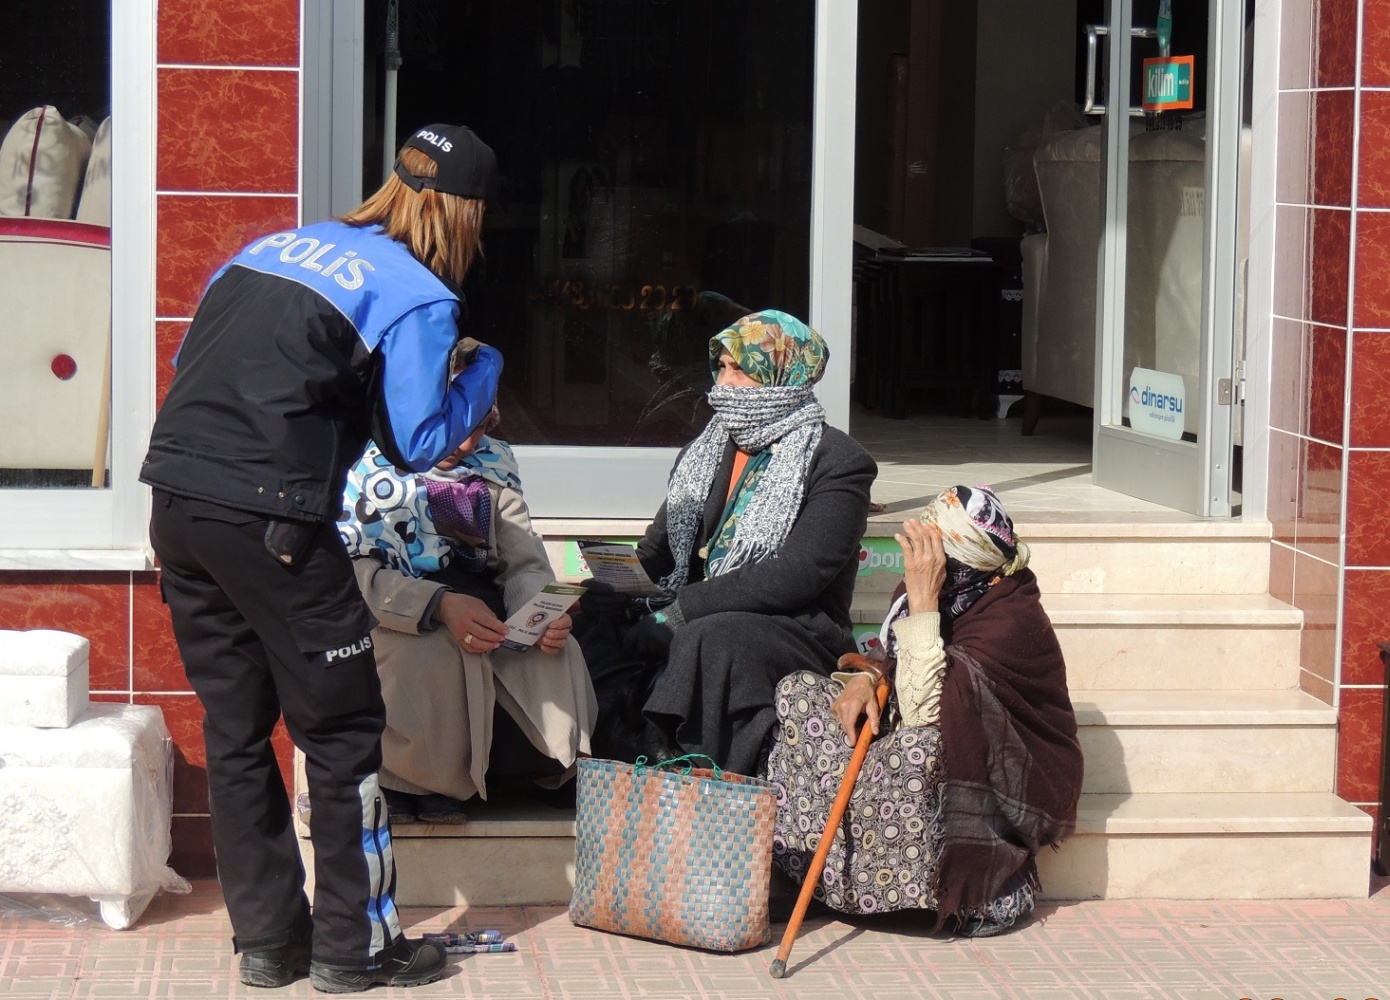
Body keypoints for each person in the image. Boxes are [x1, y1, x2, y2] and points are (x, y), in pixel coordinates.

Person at [142, 124, 503, 992]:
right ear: (466, 214)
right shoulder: (416, 293)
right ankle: (355, 949)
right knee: (341, 737)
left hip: (177, 504)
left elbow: (204, 366)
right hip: (273, 522)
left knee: (235, 731)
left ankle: (270, 944)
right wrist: (482, 370)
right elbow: (418, 442)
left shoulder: (270, 249)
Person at [766, 485, 1084, 937]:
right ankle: (825, 878)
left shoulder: (1008, 618)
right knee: (798, 692)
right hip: (910, 730)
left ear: (959, 562)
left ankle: (915, 892)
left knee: (918, 748)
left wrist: (922, 602)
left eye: (931, 554)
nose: (917, 563)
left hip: (976, 771)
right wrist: (865, 680)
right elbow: (892, 662)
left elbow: (925, 714)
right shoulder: (946, 589)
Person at [585, 309, 877, 775]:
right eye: (720, 367)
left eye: (740, 369)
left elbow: (798, 574)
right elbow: (660, 550)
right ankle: (604, 762)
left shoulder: (838, 460)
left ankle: (687, 773)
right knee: (593, 617)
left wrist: (683, 609)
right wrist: (613, 581)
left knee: (708, 637)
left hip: (790, 626)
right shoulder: (705, 450)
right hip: (696, 611)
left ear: (782, 372)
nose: (724, 384)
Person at [338, 385, 597, 822]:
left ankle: (537, 772)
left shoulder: (492, 465)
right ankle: (411, 780)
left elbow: (523, 560)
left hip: (484, 606)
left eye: (477, 427)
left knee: (552, 650)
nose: (465, 444)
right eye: (451, 426)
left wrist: (541, 614)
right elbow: (349, 573)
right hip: (396, 610)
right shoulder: (359, 467)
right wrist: (438, 605)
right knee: (430, 653)